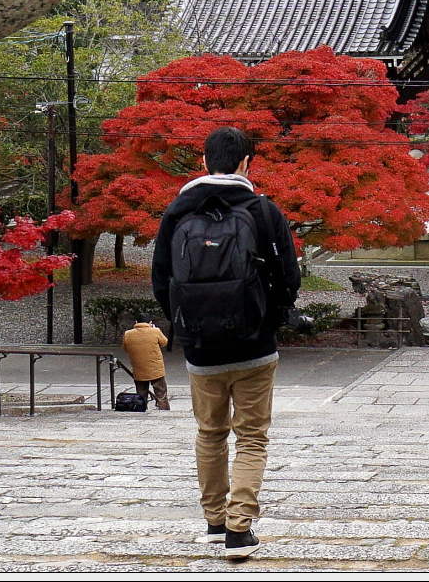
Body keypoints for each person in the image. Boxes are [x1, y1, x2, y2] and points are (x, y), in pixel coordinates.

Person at [152, 126, 300, 562]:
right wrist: (269, 321)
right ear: (245, 163)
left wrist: (185, 325)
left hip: (201, 348)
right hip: (254, 345)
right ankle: (240, 529)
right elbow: (288, 277)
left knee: (210, 433)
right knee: (252, 437)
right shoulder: (262, 210)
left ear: (203, 162)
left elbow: (161, 280)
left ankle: (214, 522)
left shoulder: (177, 213)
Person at [121, 319, 172, 410]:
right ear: (150, 322)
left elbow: (125, 348)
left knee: (141, 394)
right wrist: (155, 329)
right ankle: (165, 412)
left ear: (136, 322)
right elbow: (164, 342)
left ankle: (142, 411)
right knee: (161, 395)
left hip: (139, 369)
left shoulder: (128, 334)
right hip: (156, 369)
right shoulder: (155, 331)